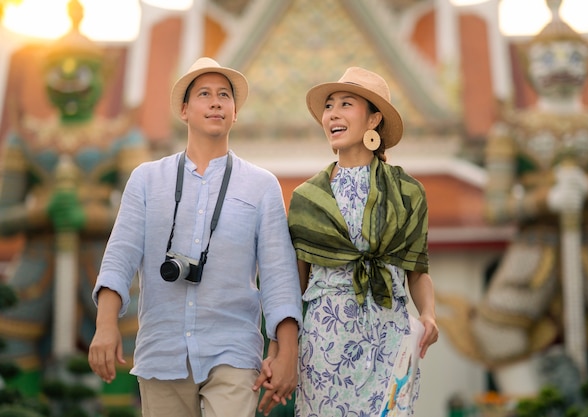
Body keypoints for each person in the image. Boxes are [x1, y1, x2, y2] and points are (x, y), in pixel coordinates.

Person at [87, 57, 302, 417]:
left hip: (233, 351)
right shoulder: (146, 179)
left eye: (224, 96)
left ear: (235, 113)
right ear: (184, 110)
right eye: (204, 94)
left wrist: (287, 353)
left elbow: (280, 277)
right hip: (162, 350)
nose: (216, 102)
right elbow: (120, 256)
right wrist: (105, 325)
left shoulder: (261, 185)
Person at [437, 0, 588, 399]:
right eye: (548, 56)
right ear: (529, 64)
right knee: (495, 330)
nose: (561, 64)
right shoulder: (513, 129)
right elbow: (496, 207)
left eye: (573, 54)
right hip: (534, 247)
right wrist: (547, 199)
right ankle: (531, 404)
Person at [0, 19, 149, 401]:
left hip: (104, 259)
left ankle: (117, 409)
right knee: (11, 335)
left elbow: (149, 214)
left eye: (82, 69)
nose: (69, 80)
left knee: (126, 341)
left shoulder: (121, 138)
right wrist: (40, 213)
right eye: (57, 68)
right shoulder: (26, 139)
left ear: (103, 75)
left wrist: (91, 217)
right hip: (38, 259)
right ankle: (25, 406)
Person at [287, 67, 439, 416]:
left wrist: (429, 314)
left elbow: (417, 270)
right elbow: (296, 282)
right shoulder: (307, 198)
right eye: (329, 106)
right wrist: (285, 347)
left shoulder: (406, 193)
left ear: (374, 120)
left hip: (390, 337)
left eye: (346, 104)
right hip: (326, 339)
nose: (333, 114)